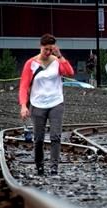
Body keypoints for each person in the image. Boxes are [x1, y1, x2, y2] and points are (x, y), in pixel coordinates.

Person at [18, 33, 74, 176]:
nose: (48, 52)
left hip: (56, 103)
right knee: (38, 139)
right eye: (46, 49)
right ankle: (40, 165)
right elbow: (24, 86)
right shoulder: (31, 63)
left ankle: (54, 166)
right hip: (37, 104)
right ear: (40, 47)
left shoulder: (57, 61)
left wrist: (60, 56)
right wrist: (24, 105)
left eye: (51, 49)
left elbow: (69, 72)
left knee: (55, 136)